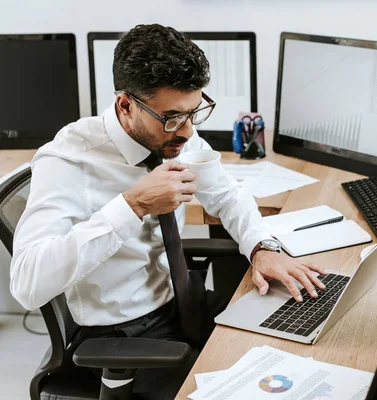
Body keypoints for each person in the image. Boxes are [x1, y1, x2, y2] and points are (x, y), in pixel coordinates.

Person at [10, 23, 325, 399]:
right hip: (125, 336)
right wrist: (133, 205)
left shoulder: (173, 132)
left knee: (302, 336)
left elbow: (226, 194)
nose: (189, 131)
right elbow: (28, 284)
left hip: (184, 304)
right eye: (174, 117)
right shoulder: (69, 162)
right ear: (126, 105)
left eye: (195, 112)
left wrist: (262, 247)